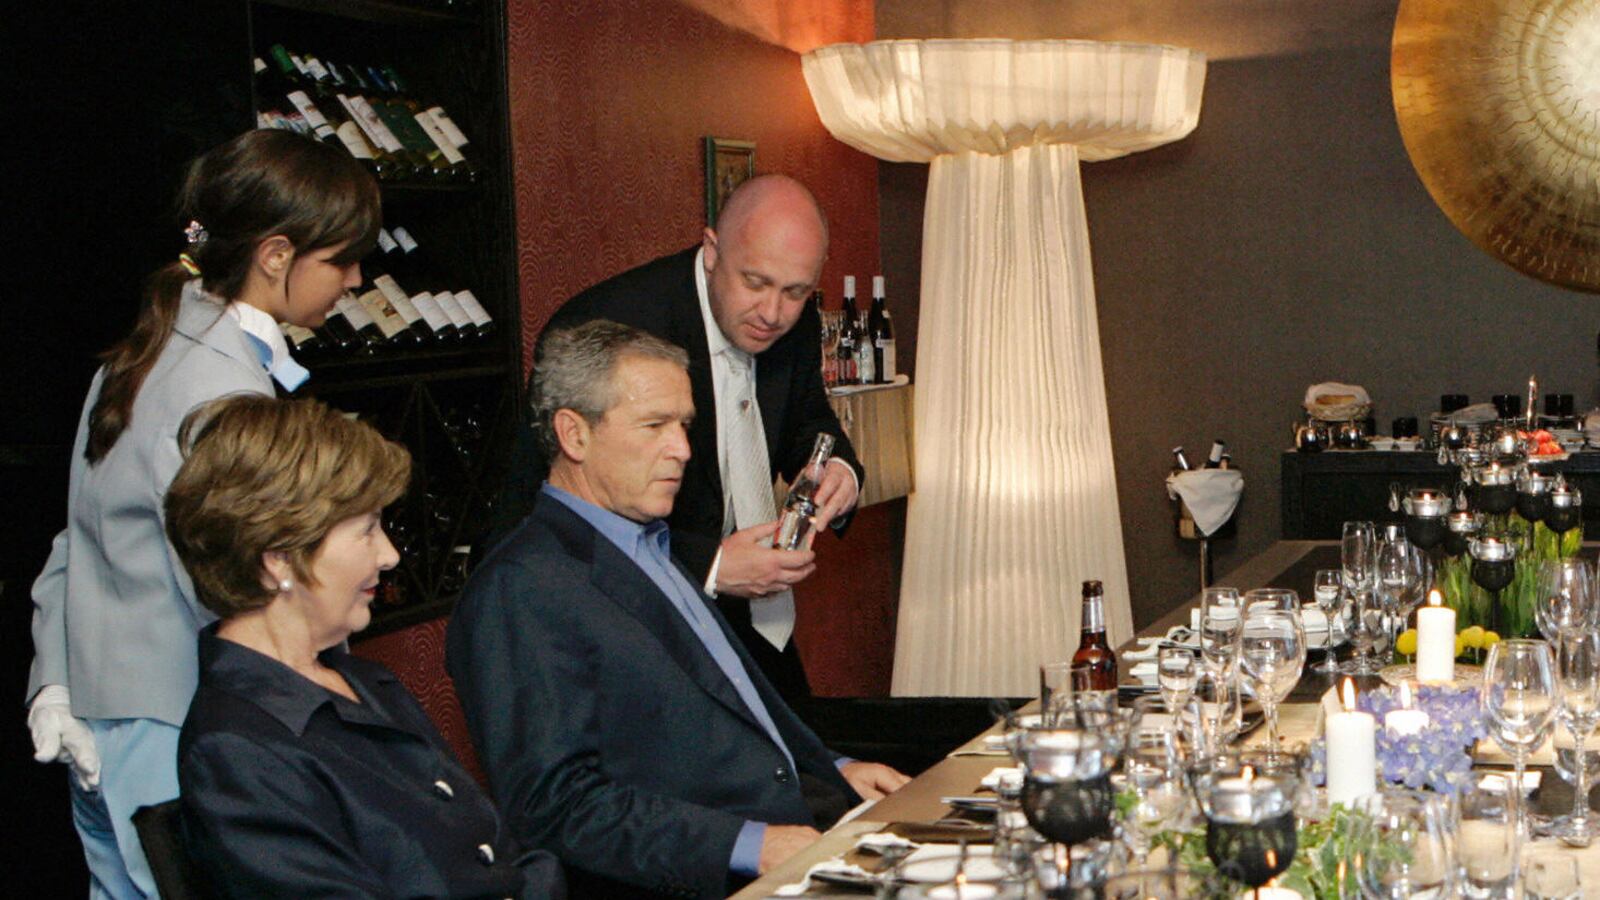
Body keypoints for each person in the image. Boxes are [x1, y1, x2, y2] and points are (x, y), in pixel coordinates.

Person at [25, 128, 380, 897]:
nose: (356, 278)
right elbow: (248, 592)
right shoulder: (223, 391)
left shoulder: (141, 349)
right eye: (343, 257)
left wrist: (53, 684)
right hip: (183, 728)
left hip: (101, 722)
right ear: (276, 255)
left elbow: (75, 538)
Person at [448, 321, 907, 900]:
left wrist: (834, 767)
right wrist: (751, 846)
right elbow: (555, 807)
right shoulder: (521, 587)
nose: (683, 450)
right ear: (574, 434)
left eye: (684, 426)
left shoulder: (649, 544)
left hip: (804, 824)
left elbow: (729, 710)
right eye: (654, 425)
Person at [162, 395, 564, 898]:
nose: (390, 555)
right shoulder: (235, 751)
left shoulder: (365, 681)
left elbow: (499, 849)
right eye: (367, 530)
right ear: (278, 558)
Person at [492, 175, 862, 701]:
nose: (773, 312)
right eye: (754, 282)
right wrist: (711, 565)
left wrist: (839, 471)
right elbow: (549, 512)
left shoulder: (790, 321)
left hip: (755, 627)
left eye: (795, 292)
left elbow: (806, 417)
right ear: (712, 251)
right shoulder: (613, 324)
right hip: (640, 635)